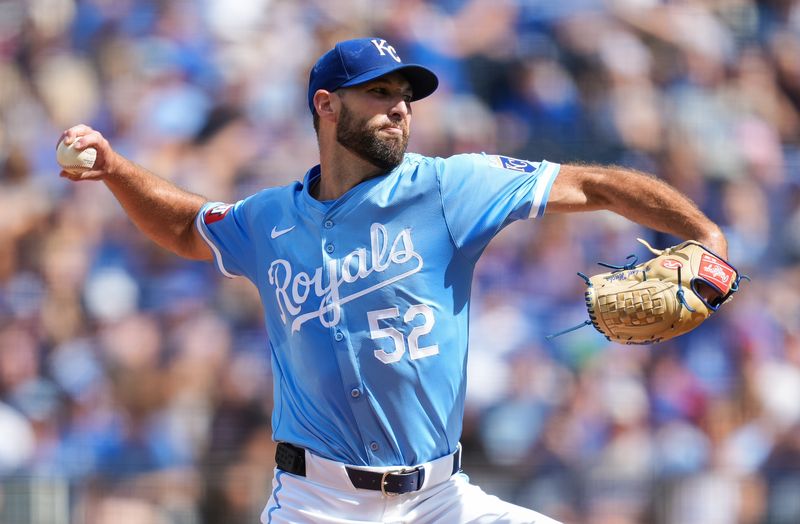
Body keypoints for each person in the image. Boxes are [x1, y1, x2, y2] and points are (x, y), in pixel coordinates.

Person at [59, 37, 727, 524]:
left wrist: (706, 235)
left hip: (441, 500)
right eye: (378, 92)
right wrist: (116, 169)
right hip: (316, 505)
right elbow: (184, 226)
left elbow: (597, 184)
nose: (399, 109)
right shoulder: (268, 219)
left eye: (404, 96)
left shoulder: (451, 186)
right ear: (326, 106)